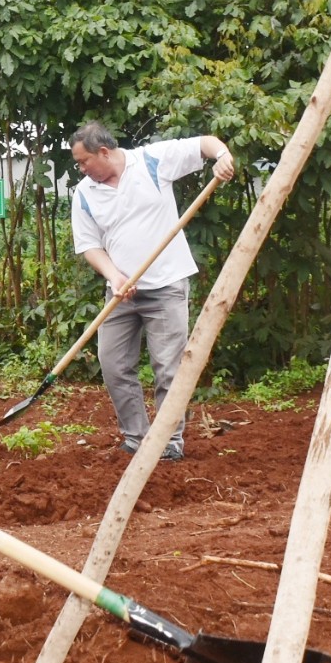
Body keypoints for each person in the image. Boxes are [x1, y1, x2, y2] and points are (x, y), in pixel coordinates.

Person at [68, 122, 235, 461]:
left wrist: (222, 155)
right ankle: (136, 438)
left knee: (169, 367)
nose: (81, 169)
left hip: (167, 286)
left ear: (103, 152)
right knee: (112, 363)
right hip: (120, 293)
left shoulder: (151, 161)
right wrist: (114, 275)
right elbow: (89, 245)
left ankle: (168, 443)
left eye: (83, 161)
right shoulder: (84, 193)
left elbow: (204, 143)